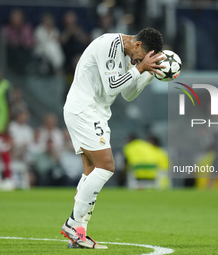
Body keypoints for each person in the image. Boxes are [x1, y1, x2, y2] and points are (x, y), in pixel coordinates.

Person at [61, 27, 165, 249]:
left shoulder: (130, 55)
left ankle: (78, 233)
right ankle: (73, 223)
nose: (138, 60)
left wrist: (148, 73)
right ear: (137, 45)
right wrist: (140, 67)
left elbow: (127, 94)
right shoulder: (111, 45)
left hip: (94, 112)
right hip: (84, 109)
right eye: (141, 56)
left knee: (91, 172)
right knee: (107, 166)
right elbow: (111, 87)